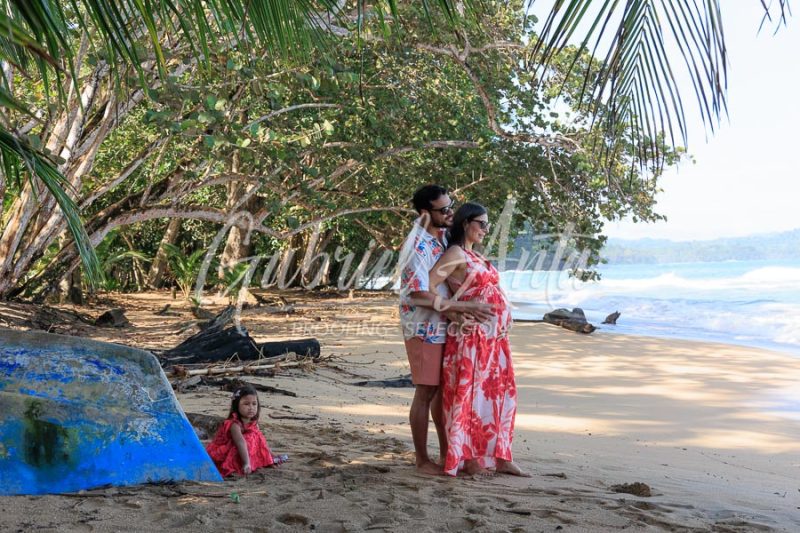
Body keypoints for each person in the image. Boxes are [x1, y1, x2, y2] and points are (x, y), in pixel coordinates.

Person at [428, 202, 528, 477]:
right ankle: (469, 459)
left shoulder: (475, 254)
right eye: (481, 223)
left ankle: (501, 456)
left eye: (488, 224)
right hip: (470, 339)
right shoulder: (456, 253)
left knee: (501, 397)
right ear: (465, 223)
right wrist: (452, 312)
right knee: (471, 398)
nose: (486, 229)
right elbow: (427, 285)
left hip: (494, 340)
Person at [398, 185, 491, 475]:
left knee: (441, 394)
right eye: (444, 209)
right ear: (425, 213)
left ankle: (448, 453)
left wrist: (454, 313)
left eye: (451, 207)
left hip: (440, 326)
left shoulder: (437, 240)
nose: (451, 213)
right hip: (422, 328)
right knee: (426, 392)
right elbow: (416, 294)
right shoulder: (417, 246)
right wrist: (462, 308)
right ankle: (422, 460)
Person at [206, 385, 285, 477]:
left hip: (245, 451)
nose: (251, 407)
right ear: (237, 405)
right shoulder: (234, 424)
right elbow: (240, 443)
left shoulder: (253, 423)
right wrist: (246, 463)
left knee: (256, 436)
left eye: (254, 404)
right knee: (247, 439)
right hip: (230, 452)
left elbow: (262, 442)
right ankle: (244, 465)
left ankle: (259, 461)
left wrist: (271, 455)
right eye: (246, 404)